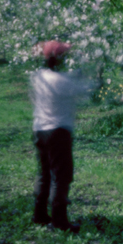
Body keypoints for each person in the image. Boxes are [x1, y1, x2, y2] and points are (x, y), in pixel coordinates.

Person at [30, 40, 90, 232]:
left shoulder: (38, 77)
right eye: (66, 56)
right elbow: (88, 91)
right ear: (60, 59)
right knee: (62, 176)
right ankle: (60, 221)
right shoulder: (64, 82)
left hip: (40, 129)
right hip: (58, 132)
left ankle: (39, 214)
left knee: (45, 173)